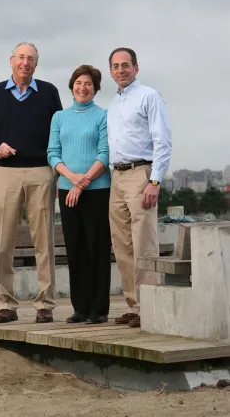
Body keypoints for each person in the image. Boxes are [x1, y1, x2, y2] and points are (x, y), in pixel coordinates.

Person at [0, 42, 62, 324]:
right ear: (11, 61)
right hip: (5, 173)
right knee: (3, 242)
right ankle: (5, 304)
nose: (26, 63)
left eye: (31, 59)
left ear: (36, 65)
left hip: (40, 172)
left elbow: (58, 132)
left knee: (44, 241)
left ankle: (45, 304)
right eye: (21, 57)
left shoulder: (48, 93)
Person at [107, 47, 171, 328]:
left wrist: (154, 181)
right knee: (122, 244)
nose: (120, 70)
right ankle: (134, 305)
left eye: (125, 65)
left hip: (141, 174)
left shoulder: (149, 96)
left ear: (136, 67)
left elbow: (163, 142)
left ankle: (151, 307)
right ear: (111, 71)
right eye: (115, 66)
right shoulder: (113, 103)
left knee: (144, 242)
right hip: (117, 177)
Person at [48, 65, 111, 324]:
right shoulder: (59, 117)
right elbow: (53, 153)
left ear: (95, 89)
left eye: (88, 84)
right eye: (78, 83)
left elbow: (105, 154)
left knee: (97, 247)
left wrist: (82, 182)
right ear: (72, 86)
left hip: (97, 190)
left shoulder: (103, 116)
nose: (83, 87)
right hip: (67, 191)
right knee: (75, 249)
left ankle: (99, 309)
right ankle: (80, 307)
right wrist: (72, 179)